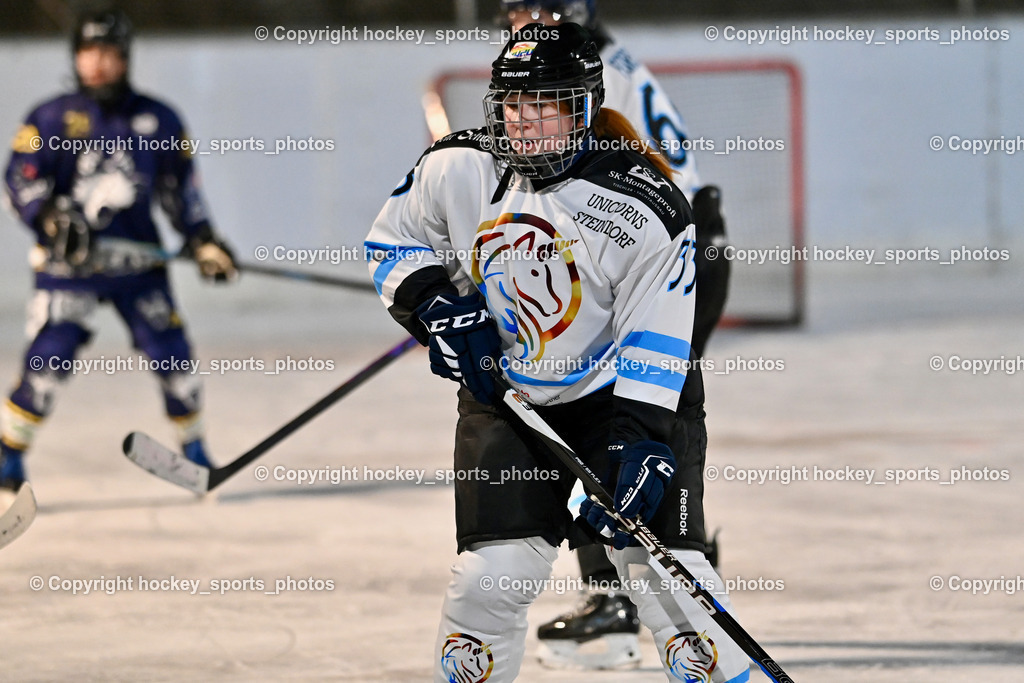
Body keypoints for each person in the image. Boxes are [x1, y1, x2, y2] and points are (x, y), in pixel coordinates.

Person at [366, 24, 748, 683]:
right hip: (510, 398)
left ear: (584, 109)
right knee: (488, 581)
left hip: (623, 398)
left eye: (546, 106)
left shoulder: (645, 206)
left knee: (662, 577)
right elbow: (393, 241)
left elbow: (656, 341)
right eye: (514, 107)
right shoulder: (455, 167)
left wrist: (638, 442)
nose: (526, 125)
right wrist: (434, 306)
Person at [500, 1, 731, 669]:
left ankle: (619, 601)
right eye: (514, 8)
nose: (523, 20)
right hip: (674, 247)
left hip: (663, 255)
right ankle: (682, 571)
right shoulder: (584, 64)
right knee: (640, 421)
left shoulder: (582, 71)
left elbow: (620, 200)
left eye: (537, 8)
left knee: (607, 417)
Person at [0, 9, 236, 498]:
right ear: (75, 57)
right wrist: (47, 218)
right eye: (89, 53)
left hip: (138, 265)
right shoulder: (50, 117)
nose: (98, 64)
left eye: (108, 53)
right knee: (48, 361)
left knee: (173, 356)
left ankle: (194, 452)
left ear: (125, 57)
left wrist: (204, 238)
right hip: (71, 268)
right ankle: (8, 455)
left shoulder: (158, 118)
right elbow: (18, 179)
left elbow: (181, 193)